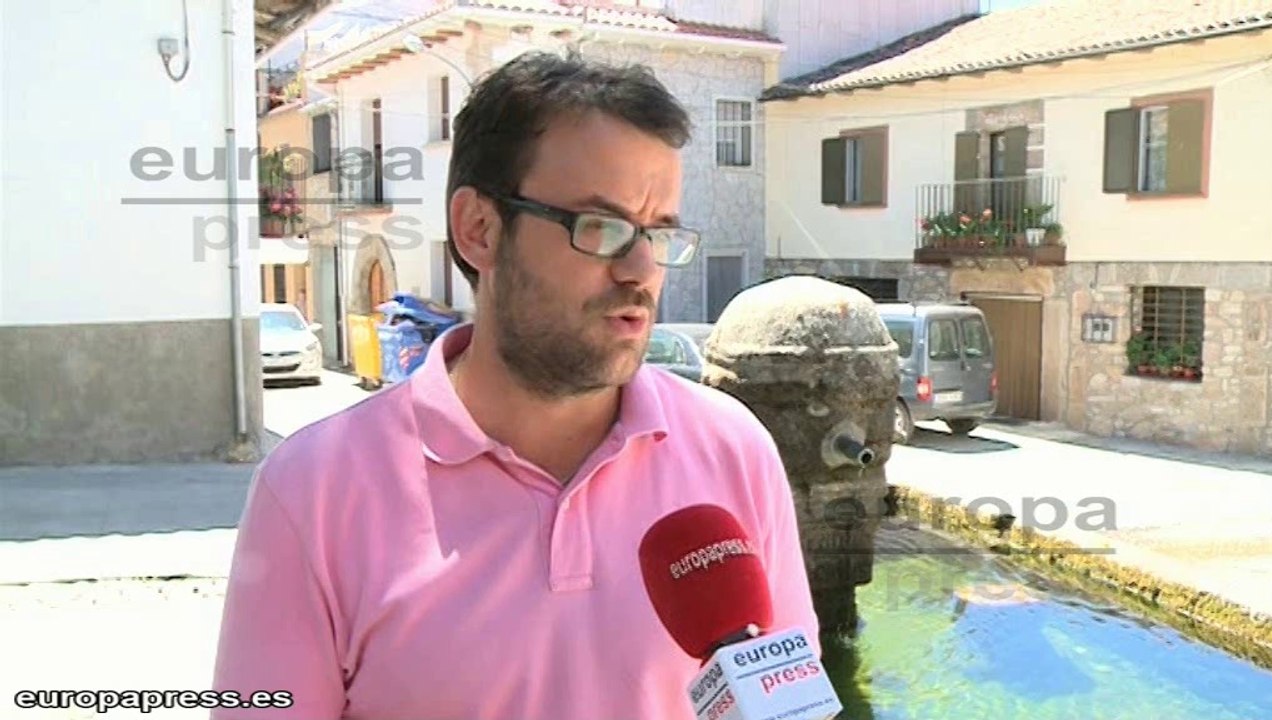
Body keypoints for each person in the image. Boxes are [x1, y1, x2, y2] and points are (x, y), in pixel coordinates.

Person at [211, 51, 819, 720]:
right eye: (603, 228)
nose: (642, 269)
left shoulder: (735, 453)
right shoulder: (314, 491)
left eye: (660, 233)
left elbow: (788, 702)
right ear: (479, 230)